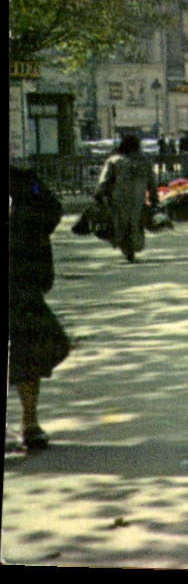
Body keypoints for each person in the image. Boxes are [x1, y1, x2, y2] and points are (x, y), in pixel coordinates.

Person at [10, 164, 72, 451]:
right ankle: (30, 424)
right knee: (29, 350)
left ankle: (30, 423)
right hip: (23, 283)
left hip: (22, 283)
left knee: (33, 348)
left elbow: (51, 211)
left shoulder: (24, 181)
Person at [94, 133, 156, 263]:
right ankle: (134, 246)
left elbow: (104, 180)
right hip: (138, 198)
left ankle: (127, 249)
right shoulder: (144, 161)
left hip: (119, 198)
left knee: (121, 223)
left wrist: (99, 194)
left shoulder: (114, 160)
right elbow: (152, 180)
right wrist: (153, 196)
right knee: (136, 223)